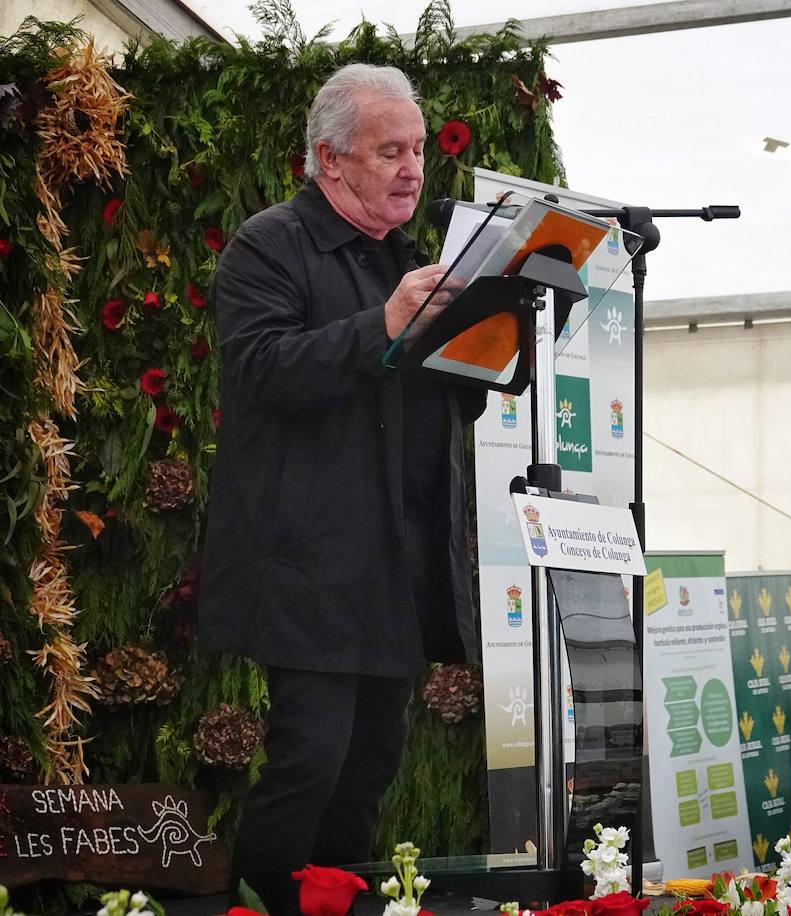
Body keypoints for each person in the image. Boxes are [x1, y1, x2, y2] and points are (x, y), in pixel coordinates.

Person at [200, 64, 484, 916]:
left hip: (395, 566)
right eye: (388, 150)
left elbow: (442, 400)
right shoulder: (269, 244)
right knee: (309, 762)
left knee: (366, 775)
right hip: (309, 567)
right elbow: (258, 371)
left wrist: (494, 342)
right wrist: (384, 322)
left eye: (419, 150)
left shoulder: (405, 258)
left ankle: (334, 906)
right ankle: (262, 907)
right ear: (330, 161)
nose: (412, 168)